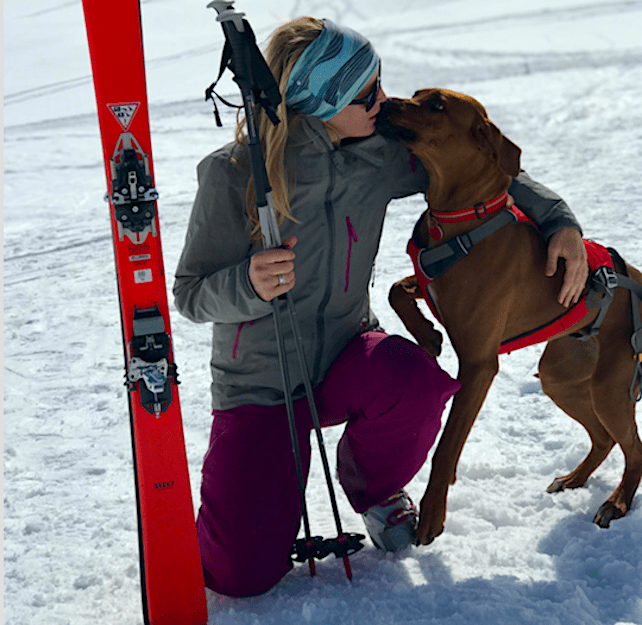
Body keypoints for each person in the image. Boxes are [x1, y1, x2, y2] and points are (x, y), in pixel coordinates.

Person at [173, 17, 588, 598]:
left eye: (380, 83)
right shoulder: (235, 174)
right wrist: (247, 283)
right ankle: (244, 510)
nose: (383, 101)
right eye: (366, 92)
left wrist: (558, 218)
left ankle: (373, 490)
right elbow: (189, 293)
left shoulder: (379, 156)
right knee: (240, 577)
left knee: (415, 382)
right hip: (264, 384)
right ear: (324, 100)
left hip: (347, 357)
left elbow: (481, 163)